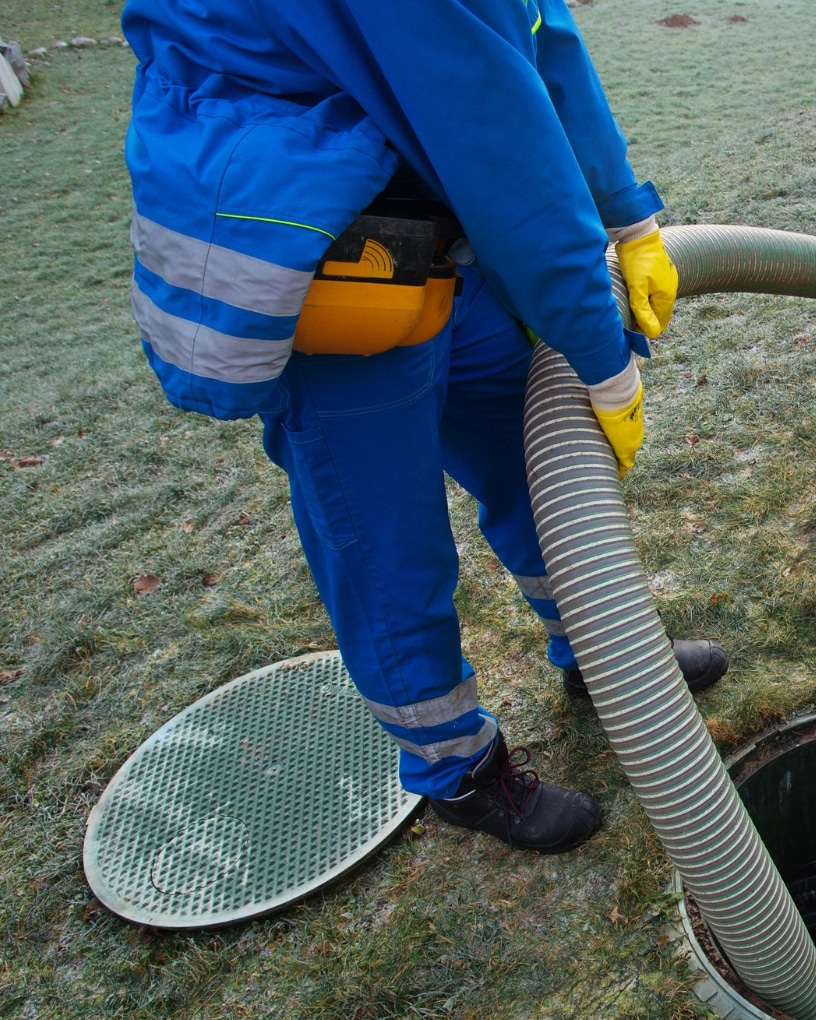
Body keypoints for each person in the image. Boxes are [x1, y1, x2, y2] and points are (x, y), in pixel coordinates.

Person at [121, 0, 726, 855]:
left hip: (428, 216)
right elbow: (497, 141)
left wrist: (626, 214)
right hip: (322, 256)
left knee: (531, 461)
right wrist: (603, 359)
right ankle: (461, 771)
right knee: (388, 546)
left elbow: (540, 40)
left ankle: (604, 648)